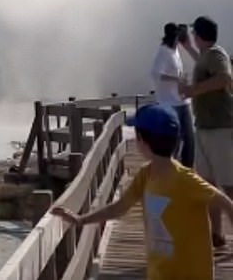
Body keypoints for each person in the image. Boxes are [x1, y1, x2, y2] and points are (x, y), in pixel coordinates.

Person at [52, 104, 233, 279]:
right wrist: (82, 220)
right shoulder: (145, 175)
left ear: (142, 140)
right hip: (160, 273)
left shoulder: (186, 180)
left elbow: (227, 204)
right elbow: (120, 207)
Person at [179, 15, 233, 250]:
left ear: (199, 35)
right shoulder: (206, 56)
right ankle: (216, 235)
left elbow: (224, 78)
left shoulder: (217, 55)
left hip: (220, 129)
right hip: (205, 129)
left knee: (229, 185)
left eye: (193, 34)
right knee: (207, 185)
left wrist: (193, 90)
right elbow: (204, 64)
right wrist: (188, 47)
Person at [150, 22, 195, 167]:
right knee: (173, 140)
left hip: (182, 101)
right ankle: (169, 170)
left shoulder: (175, 50)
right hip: (169, 103)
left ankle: (187, 170)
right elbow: (155, 73)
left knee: (189, 138)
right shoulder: (164, 51)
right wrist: (176, 79)